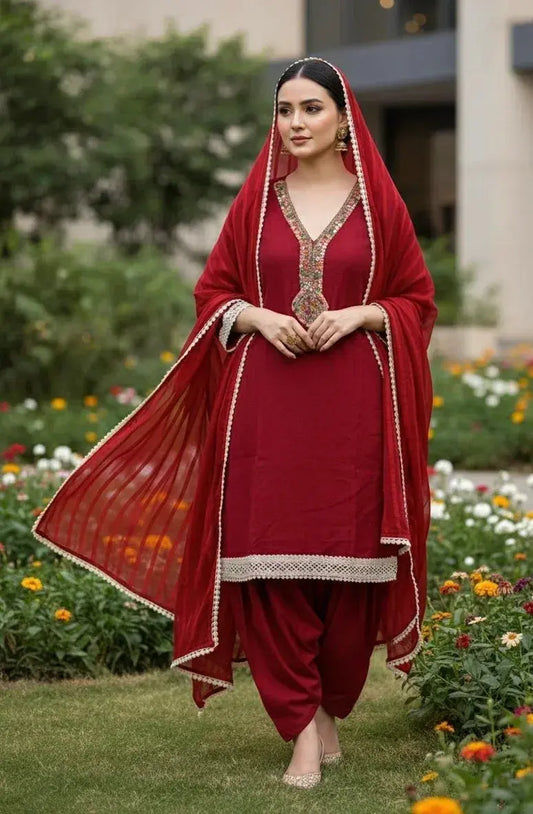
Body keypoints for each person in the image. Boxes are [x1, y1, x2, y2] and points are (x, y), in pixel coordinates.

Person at [33, 58, 437, 790]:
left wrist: (361, 313)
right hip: (266, 406)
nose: (296, 123)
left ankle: (328, 710)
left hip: (354, 413)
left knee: (349, 579)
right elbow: (214, 289)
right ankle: (301, 734)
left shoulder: (381, 208)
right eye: (284, 110)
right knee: (269, 567)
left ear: (345, 118)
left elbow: (416, 299)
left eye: (311, 108)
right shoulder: (256, 204)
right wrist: (253, 314)